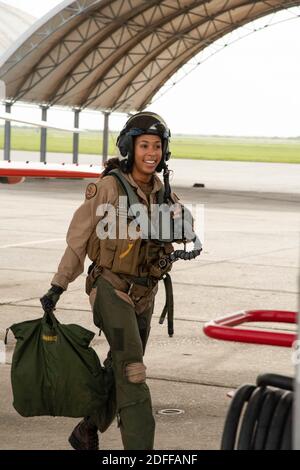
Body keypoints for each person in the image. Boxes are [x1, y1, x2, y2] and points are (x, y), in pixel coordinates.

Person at [40, 112, 197, 450]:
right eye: (144, 146)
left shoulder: (161, 190)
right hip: (110, 288)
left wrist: (175, 220)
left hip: (146, 292)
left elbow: (186, 228)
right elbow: (78, 239)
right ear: (130, 147)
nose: (151, 152)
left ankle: (87, 428)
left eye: (157, 146)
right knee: (133, 369)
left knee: (118, 365)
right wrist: (59, 284)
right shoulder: (109, 187)